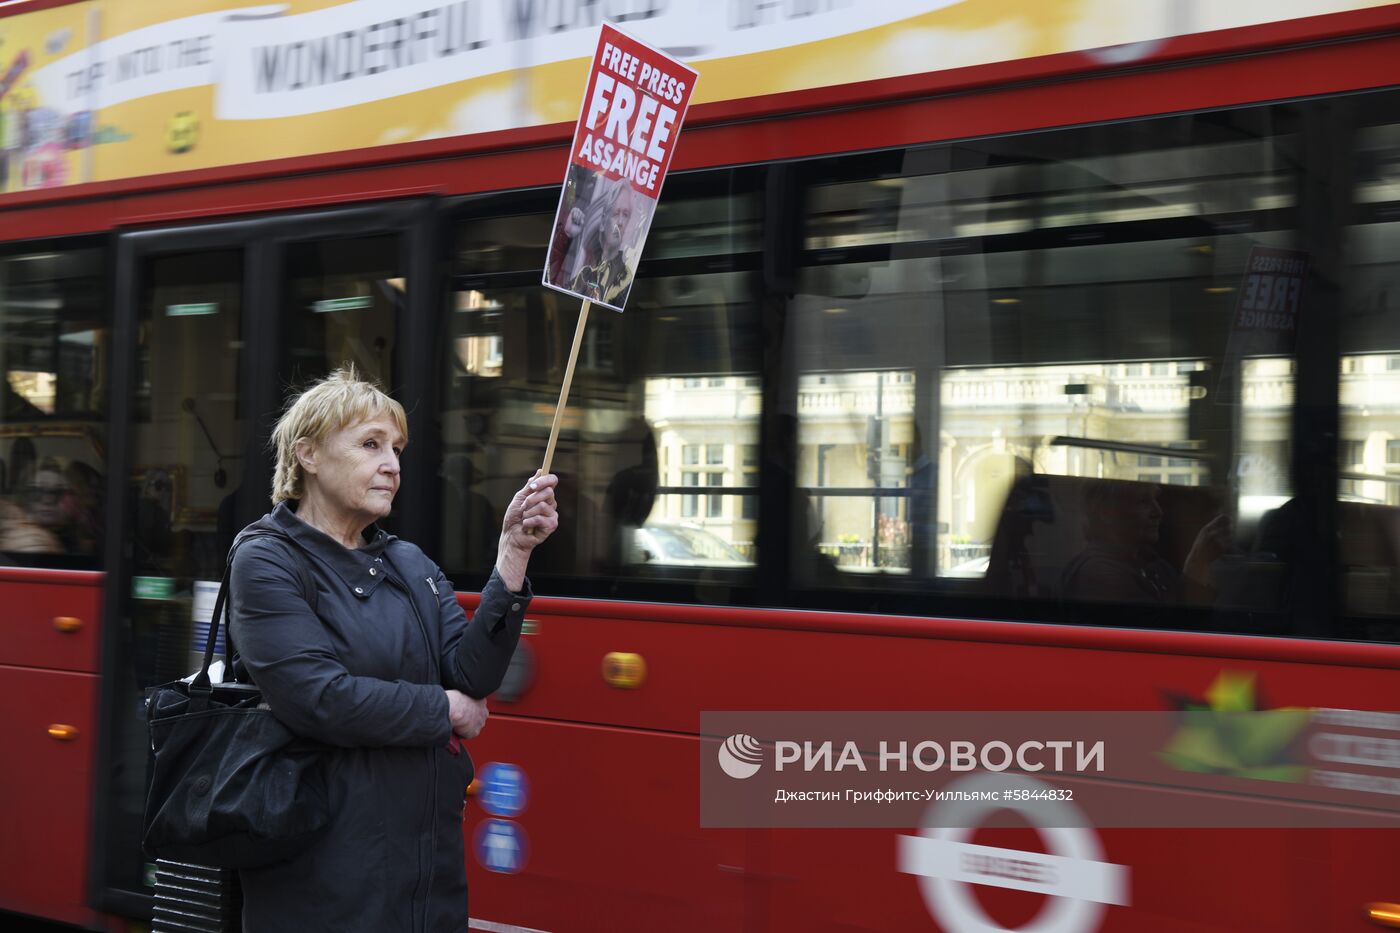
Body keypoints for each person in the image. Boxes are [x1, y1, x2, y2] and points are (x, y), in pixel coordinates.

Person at [227, 366, 558, 932]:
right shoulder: (266, 559)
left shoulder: (407, 561)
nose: (392, 465)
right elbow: (318, 698)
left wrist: (512, 556)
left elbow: (470, 673)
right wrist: (444, 710)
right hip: (325, 872)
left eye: (397, 449)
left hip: (427, 868)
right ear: (308, 455)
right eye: (370, 445)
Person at [1061, 479, 1229, 604]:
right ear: (1106, 512)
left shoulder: (1152, 564)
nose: (1158, 512)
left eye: (1156, 500)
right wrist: (1197, 562)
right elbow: (1169, 634)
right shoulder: (1097, 574)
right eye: (1143, 501)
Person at [568, 181, 638, 307]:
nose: (621, 222)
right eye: (616, 213)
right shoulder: (585, 274)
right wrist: (568, 235)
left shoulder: (625, 278)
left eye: (626, 215)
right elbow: (554, 286)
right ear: (602, 223)